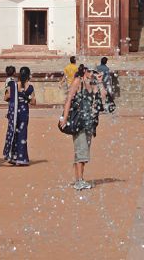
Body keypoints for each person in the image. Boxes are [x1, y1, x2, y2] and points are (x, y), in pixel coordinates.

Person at [60, 63, 104, 191]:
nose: (92, 73)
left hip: (89, 123)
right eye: (90, 71)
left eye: (93, 71)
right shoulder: (78, 82)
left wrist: (100, 82)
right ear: (84, 70)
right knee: (81, 151)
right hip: (79, 122)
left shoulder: (93, 84)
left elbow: (103, 97)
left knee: (83, 152)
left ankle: (80, 179)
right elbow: (68, 99)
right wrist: (64, 117)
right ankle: (79, 181)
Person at [3, 66, 34, 167]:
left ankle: (13, 156)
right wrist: (26, 97)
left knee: (13, 132)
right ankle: (22, 158)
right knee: (22, 134)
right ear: (29, 75)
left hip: (14, 113)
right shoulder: (30, 87)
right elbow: (34, 102)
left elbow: (6, 97)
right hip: (24, 112)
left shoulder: (14, 85)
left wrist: (15, 97)